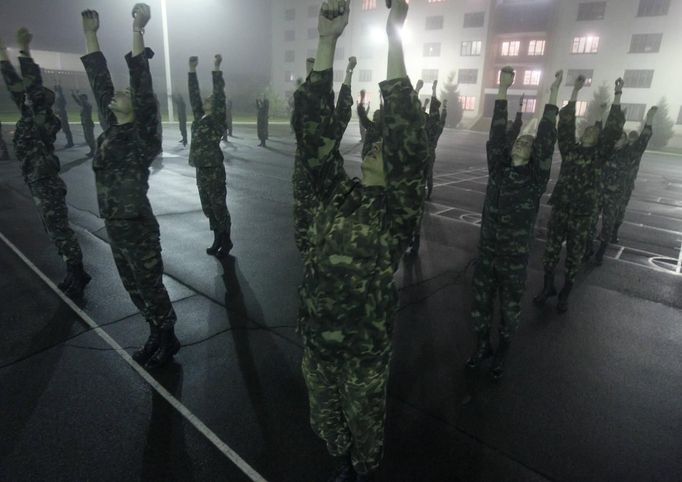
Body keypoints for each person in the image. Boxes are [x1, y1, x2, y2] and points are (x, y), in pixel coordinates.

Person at [292, 1, 427, 479]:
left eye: (385, 149)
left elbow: (409, 131)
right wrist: (326, 41)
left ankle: (360, 467)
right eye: (373, 144)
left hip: (361, 357)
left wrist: (394, 37)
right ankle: (342, 459)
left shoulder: (395, 213)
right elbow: (311, 137)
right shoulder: (338, 192)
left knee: (365, 434)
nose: (375, 149)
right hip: (318, 349)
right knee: (325, 426)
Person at [80, 4, 179, 368]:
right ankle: (155, 330)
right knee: (133, 287)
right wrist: (91, 35)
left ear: (137, 108)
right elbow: (99, 80)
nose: (117, 94)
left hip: (137, 228)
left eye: (125, 94)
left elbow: (140, 80)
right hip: (116, 227)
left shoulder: (143, 136)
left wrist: (138, 30)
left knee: (150, 286)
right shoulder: (112, 129)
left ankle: (168, 335)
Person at [466, 67, 561, 379]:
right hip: (487, 255)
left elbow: (546, 141)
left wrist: (553, 97)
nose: (522, 143)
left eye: (527, 144)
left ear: (533, 155)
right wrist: (503, 90)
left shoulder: (534, 182)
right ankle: (482, 347)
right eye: (519, 141)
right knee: (479, 310)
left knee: (508, 312)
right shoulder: (499, 171)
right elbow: (496, 135)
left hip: (513, 262)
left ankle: (502, 353)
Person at [1, 29, 90, 298]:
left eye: (35, 97)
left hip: (46, 182)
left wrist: (25, 51)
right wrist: (3, 59)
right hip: (36, 180)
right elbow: (16, 88)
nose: (28, 98)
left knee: (60, 230)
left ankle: (77, 272)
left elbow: (32, 89)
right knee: (53, 231)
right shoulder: (31, 115)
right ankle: (74, 270)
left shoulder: (45, 119)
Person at [534, 76, 625, 313]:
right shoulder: (571, 149)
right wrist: (574, 92)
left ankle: (565, 293)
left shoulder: (600, 154)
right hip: (562, 208)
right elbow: (564, 125)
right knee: (551, 252)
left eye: (593, 132)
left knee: (573, 255)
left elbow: (614, 129)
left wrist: (617, 95)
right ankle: (548, 287)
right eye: (586, 131)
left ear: (599, 139)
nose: (588, 133)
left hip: (583, 213)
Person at [292, 54, 355, 255]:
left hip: (324, 202)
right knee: (308, 247)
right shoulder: (306, 132)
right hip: (309, 199)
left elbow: (342, 105)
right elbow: (309, 104)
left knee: (320, 248)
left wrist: (349, 73)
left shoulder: (329, 130)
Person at [591, 108, 656, 262]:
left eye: (620, 137)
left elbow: (643, 140)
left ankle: (601, 250)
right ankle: (588, 247)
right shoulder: (606, 151)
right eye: (615, 138)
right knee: (590, 221)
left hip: (614, 195)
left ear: (625, 140)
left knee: (608, 223)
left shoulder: (630, 154)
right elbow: (599, 135)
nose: (615, 140)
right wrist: (600, 117)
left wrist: (649, 119)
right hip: (598, 192)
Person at [187, 54, 233, 257]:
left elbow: (219, 93)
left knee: (218, 205)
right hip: (200, 167)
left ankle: (226, 239)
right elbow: (194, 95)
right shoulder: (200, 116)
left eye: (210, 99)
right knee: (207, 206)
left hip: (213, 168)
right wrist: (192, 70)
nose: (206, 99)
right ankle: (217, 237)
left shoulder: (217, 119)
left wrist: (216, 68)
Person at [610, 122, 656, 244]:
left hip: (625, 185)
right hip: (615, 184)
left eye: (633, 138)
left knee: (619, 210)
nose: (631, 140)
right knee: (612, 210)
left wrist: (649, 122)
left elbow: (644, 140)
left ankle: (613, 232)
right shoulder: (620, 149)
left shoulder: (635, 151)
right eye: (630, 137)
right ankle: (608, 232)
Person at [72, 91, 97, 157]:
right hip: (85, 124)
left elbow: (82, 103)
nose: (81, 100)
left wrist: (77, 95)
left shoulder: (87, 105)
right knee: (87, 138)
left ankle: (94, 151)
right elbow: (78, 102)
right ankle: (92, 150)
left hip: (88, 124)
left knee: (90, 138)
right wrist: (74, 95)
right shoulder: (84, 105)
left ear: (85, 99)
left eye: (82, 98)